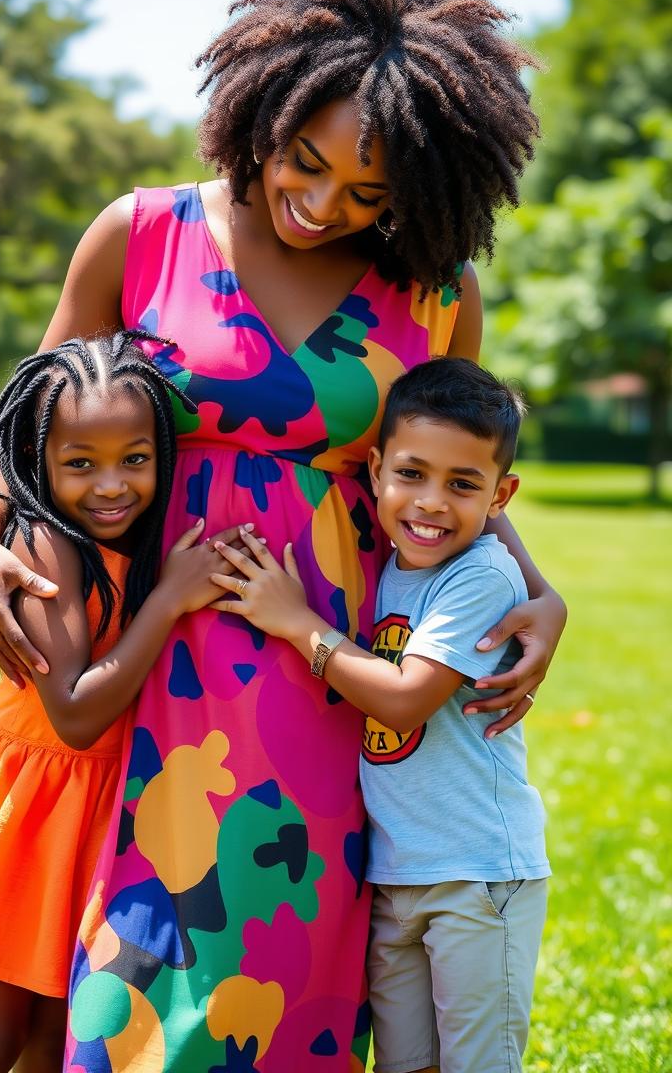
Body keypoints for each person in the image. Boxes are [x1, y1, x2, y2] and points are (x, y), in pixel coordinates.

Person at [0, 0, 567, 1071]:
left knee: (289, 931)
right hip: (141, 621)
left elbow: (448, 459)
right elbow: (29, 416)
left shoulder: (433, 287)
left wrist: (538, 589)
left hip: (318, 642)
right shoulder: (141, 231)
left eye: (368, 191)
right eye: (302, 161)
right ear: (260, 107)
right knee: (102, 955)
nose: (321, 204)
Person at [0, 331, 248, 1073]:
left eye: (134, 461)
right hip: (35, 804)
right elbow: (73, 713)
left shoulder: (139, 541)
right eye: (80, 465)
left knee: (60, 1043)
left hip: (103, 811)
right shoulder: (45, 543)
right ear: (36, 461)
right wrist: (169, 599)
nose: (111, 486)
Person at [212, 356, 549, 1073]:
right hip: (400, 873)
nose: (430, 502)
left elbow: (404, 698)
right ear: (374, 471)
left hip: (476, 872)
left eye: (463, 484)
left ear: (502, 494)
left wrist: (295, 622)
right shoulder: (387, 566)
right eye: (412, 474)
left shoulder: (482, 573)